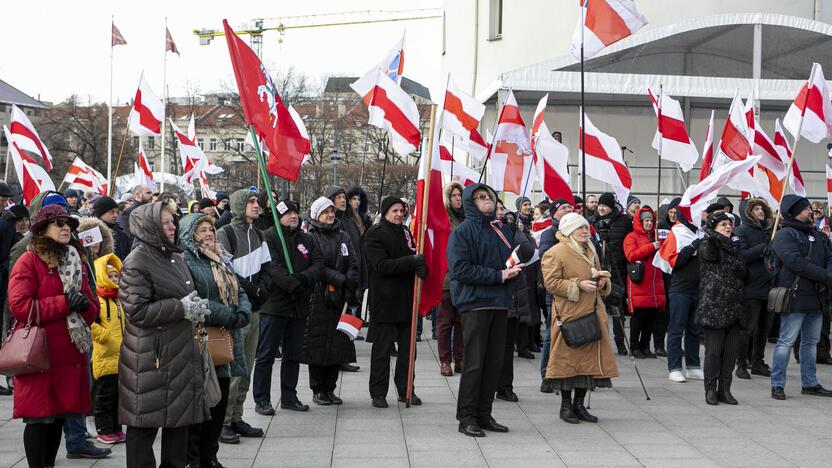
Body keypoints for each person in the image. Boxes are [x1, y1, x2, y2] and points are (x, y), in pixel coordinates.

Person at [8, 205, 100, 467]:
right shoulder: (29, 260)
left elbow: (91, 307)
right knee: (38, 418)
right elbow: (21, 306)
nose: (65, 227)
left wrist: (84, 305)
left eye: (68, 223)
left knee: (60, 415)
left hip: (70, 352)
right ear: (42, 229)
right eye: (58, 223)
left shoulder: (75, 259)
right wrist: (64, 303)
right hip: (39, 354)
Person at [119, 200, 209, 467]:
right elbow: (136, 311)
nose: (172, 227)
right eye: (166, 222)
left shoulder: (175, 257)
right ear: (150, 227)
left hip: (179, 350)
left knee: (178, 422)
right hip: (150, 356)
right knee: (144, 424)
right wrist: (180, 307)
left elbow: (183, 296)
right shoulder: (137, 262)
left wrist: (194, 307)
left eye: (173, 221)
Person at [447, 184, 520, 437]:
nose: (487, 200)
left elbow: (511, 261)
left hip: (500, 303)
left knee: (494, 363)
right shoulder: (463, 232)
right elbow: (460, 269)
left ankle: (484, 413)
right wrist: (499, 275)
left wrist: (516, 268)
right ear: (470, 202)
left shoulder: (500, 230)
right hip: (475, 303)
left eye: (489, 196)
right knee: (475, 363)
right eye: (480, 197)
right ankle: (467, 417)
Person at [179, 213, 251, 467]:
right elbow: (194, 297)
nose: (209, 234)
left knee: (219, 401)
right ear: (190, 235)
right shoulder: (185, 261)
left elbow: (238, 288)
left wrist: (243, 311)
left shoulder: (220, 259)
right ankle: (195, 458)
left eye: (210, 229)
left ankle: (210, 455)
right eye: (202, 230)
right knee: (202, 402)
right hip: (202, 340)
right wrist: (228, 315)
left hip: (225, 339)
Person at [541, 212, 619, 424]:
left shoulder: (590, 249)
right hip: (570, 313)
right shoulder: (556, 252)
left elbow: (597, 272)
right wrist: (577, 285)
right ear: (569, 231)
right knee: (568, 361)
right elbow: (551, 283)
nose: (586, 231)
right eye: (580, 228)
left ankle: (579, 405)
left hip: (592, 310)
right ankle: (565, 407)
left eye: (586, 227)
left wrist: (602, 281)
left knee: (588, 362)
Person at [254, 200, 323, 415]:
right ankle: (262, 399)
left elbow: (318, 264)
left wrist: (302, 279)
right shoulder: (269, 237)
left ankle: (289, 396)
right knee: (266, 355)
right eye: (287, 214)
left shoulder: (307, 239)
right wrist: (291, 284)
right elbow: (273, 267)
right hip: (275, 305)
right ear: (277, 217)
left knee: (292, 355)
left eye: (295, 212)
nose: (292, 216)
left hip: (299, 305)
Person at [217, 189, 270, 443]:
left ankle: (237, 416)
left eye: (256, 202)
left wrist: (263, 290)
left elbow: (267, 266)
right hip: (238, 310)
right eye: (250, 202)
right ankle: (224, 421)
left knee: (247, 366)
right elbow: (225, 270)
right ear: (239, 205)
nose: (256, 205)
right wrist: (251, 290)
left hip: (255, 310)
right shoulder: (225, 233)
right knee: (234, 368)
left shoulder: (259, 234)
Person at [364, 196, 425, 408]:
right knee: (382, 350)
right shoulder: (374, 233)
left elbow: (412, 255)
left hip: (407, 300)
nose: (399, 214)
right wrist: (411, 262)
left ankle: (406, 389)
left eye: (402, 210)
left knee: (408, 352)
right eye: (395, 211)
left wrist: (420, 267)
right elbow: (381, 265)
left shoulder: (406, 232)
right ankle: (378, 393)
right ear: (385, 212)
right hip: (385, 300)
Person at [770, 194, 832, 400]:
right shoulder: (785, 235)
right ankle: (777, 384)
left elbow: (829, 257)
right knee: (786, 342)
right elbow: (795, 262)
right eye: (808, 209)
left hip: (816, 297)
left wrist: (828, 274)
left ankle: (810, 383)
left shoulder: (817, 234)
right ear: (797, 212)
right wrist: (825, 276)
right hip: (795, 296)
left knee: (810, 342)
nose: (811, 213)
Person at [305, 197, 360, 404]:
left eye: (332, 211)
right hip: (319, 296)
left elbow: (353, 262)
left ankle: (331, 387)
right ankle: (318, 388)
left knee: (337, 344)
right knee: (318, 343)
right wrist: (340, 278)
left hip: (341, 297)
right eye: (326, 212)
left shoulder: (343, 235)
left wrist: (350, 281)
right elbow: (317, 265)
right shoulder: (311, 236)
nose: (330, 215)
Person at [697, 211, 746, 405]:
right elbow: (711, 257)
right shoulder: (709, 244)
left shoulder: (735, 247)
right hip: (714, 306)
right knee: (714, 351)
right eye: (723, 224)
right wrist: (713, 237)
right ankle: (710, 389)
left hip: (734, 305)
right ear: (713, 228)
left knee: (730, 352)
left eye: (729, 224)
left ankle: (725, 389)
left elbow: (743, 271)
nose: (728, 227)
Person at [495, 208, 535, 404]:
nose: (500, 212)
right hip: (489, 298)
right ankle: (486, 386)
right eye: (497, 209)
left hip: (512, 297)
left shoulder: (511, 229)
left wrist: (516, 232)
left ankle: (505, 387)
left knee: (506, 347)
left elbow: (528, 252)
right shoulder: (481, 230)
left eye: (502, 209)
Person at [664, 198, 704, 383]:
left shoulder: (702, 233)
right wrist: (694, 245)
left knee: (694, 330)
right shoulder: (677, 233)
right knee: (676, 329)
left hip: (698, 288)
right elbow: (676, 261)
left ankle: (694, 366)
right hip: (680, 289)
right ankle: (674, 367)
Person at [732, 199, 774, 379]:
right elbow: (742, 256)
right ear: (748, 212)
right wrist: (763, 247)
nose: (761, 211)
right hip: (751, 287)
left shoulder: (770, 231)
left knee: (764, 329)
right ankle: (741, 363)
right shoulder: (741, 231)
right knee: (747, 328)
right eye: (757, 208)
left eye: (763, 208)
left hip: (769, 286)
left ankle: (758, 361)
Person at [325, 186, 361, 371]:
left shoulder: (350, 220)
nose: (342, 200)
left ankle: (344, 357)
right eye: (338, 197)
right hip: (335, 281)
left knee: (347, 320)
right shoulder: (332, 223)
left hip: (350, 277)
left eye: (343, 197)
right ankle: (337, 359)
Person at [591, 193, 632, 355]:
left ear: (611, 206)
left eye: (605, 205)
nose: (601, 208)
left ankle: (620, 342)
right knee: (595, 309)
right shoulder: (592, 221)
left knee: (617, 309)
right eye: (599, 205)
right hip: (596, 270)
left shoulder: (623, 221)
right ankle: (598, 341)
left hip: (616, 270)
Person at [91, 253, 125, 445]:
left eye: (116, 276)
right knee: (104, 396)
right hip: (105, 356)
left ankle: (116, 427)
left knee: (118, 397)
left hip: (120, 356)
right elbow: (91, 323)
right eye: (110, 276)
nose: (114, 279)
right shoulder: (99, 299)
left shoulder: (119, 299)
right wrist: (105, 336)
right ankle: (104, 428)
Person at [623, 207, 665, 358]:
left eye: (651, 220)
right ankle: (635, 347)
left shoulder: (656, 235)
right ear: (640, 222)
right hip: (640, 281)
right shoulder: (631, 237)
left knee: (651, 317)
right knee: (639, 317)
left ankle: (646, 346)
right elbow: (631, 255)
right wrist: (651, 247)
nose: (649, 223)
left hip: (655, 281)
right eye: (646, 220)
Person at [438, 182, 465, 376]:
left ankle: (460, 359)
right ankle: (445, 361)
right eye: (454, 195)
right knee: (445, 322)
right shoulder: (443, 217)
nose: (457, 198)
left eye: (459, 195)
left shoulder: (468, 216)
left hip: (464, 278)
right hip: (447, 277)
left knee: (462, 322)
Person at [93, 196, 131, 261]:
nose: (116, 215)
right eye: (111, 212)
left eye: (117, 212)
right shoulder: (91, 233)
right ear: (100, 213)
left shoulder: (121, 234)